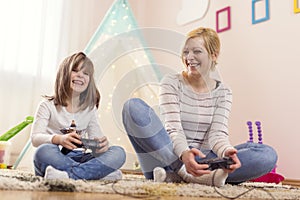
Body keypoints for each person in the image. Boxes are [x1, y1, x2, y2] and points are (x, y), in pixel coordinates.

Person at [122, 27, 278, 187]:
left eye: (197, 51)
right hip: (167, 157)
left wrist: (226, 152)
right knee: (132, 107)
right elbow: (173, 128)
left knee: (267, 155)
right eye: (186, 52)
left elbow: (217, 134)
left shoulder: (223, 92)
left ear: (214, 55)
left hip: (204, 158)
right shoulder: (171, 82)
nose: (189, 57)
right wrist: (184, 155)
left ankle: (179, 176)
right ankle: (185, 172)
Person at [31, 52, 126, 180]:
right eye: (75, 71)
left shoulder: (89, 109)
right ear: (64, 75)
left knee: (118, 152)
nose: (80, 75)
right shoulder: (47, 105)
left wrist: (102, 146)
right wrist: (59, 139)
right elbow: (35, 138)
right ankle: (94, 175)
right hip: (55, 158)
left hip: (80, 158)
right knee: (42, 152)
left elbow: (96, 140)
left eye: (86, 73)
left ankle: (68, 176)